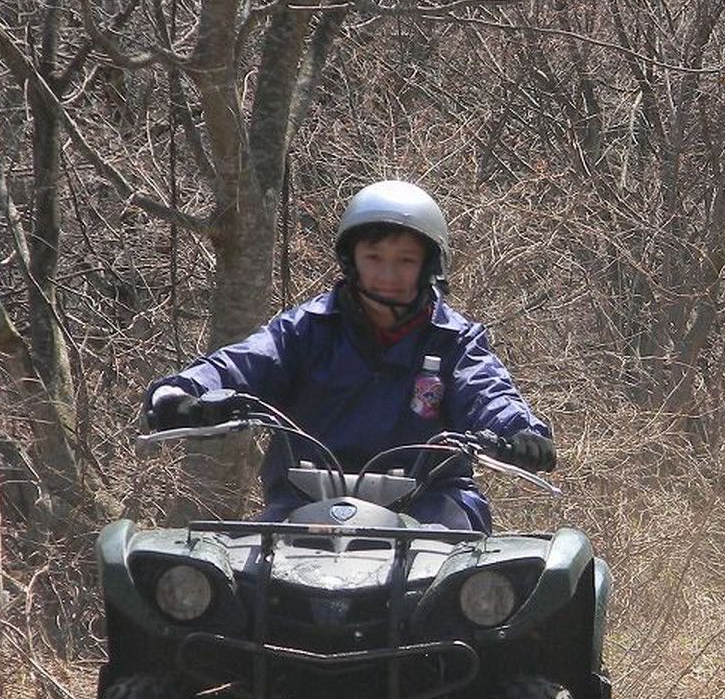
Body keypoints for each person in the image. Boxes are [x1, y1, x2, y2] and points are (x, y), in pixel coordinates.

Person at [143, 179, 553, 531]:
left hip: (430, 504)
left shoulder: (455, 340)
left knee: (478, 590)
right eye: (374, 258)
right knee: (230, 587)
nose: (388, 275)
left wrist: (521, 433)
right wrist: (181, 393)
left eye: (405, 261)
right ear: (350, 260)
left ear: (428, 266)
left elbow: (488, 391)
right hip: (306, 501)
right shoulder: (304, 329)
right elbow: (243, 363)